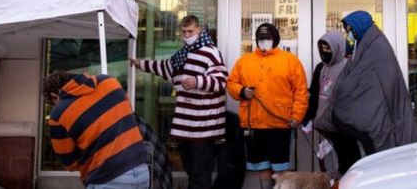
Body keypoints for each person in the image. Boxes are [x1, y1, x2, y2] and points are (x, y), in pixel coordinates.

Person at [131, 15, 228, 189]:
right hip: (185, 127)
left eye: (190, 31)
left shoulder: (210, 52)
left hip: (204, 127)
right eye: (184, 32)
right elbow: (163, 67)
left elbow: (221, 81)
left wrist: (197, 81)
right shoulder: (182, 54)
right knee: (192, 171)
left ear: (199, 30)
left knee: (200, 175)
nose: (187, 35)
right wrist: (139, 64)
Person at [318, 11, 417, 157]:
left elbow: (366, 79)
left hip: (386, 115)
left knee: (383, 149)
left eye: (350, 31)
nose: (349, 35)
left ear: (358, 28)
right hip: (384, 113)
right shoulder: (367, 45)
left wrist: (345, 92)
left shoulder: (376, 47)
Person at [227, 23, 308, 189]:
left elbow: (301, 91)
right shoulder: (244, 61)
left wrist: (297, 115)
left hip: (281, 124)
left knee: (280, 168)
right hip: (254, 124)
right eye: (261, 39)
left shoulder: (290, 61)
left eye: (268, 38)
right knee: (262, 167)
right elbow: (231, 83)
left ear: (275, 39)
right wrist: (242, 91)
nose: (264, 42)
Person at [43, 71, 149, 189]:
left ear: (54, 96)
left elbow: (69, 162)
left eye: (53, 103)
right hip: (142, 171)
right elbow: (127, 115)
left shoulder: (58, 114)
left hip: (107, 178)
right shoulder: (110, 82)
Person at [302, 31, 359, 179]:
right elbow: (315, 95)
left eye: (328, 48)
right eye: (322, 48)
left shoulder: (349, 67)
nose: (325, 52)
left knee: (348, 167)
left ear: (338, 47)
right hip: (324, 128)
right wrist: (308, 118)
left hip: (344, 128)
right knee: (329, 168)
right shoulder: (321, 68)